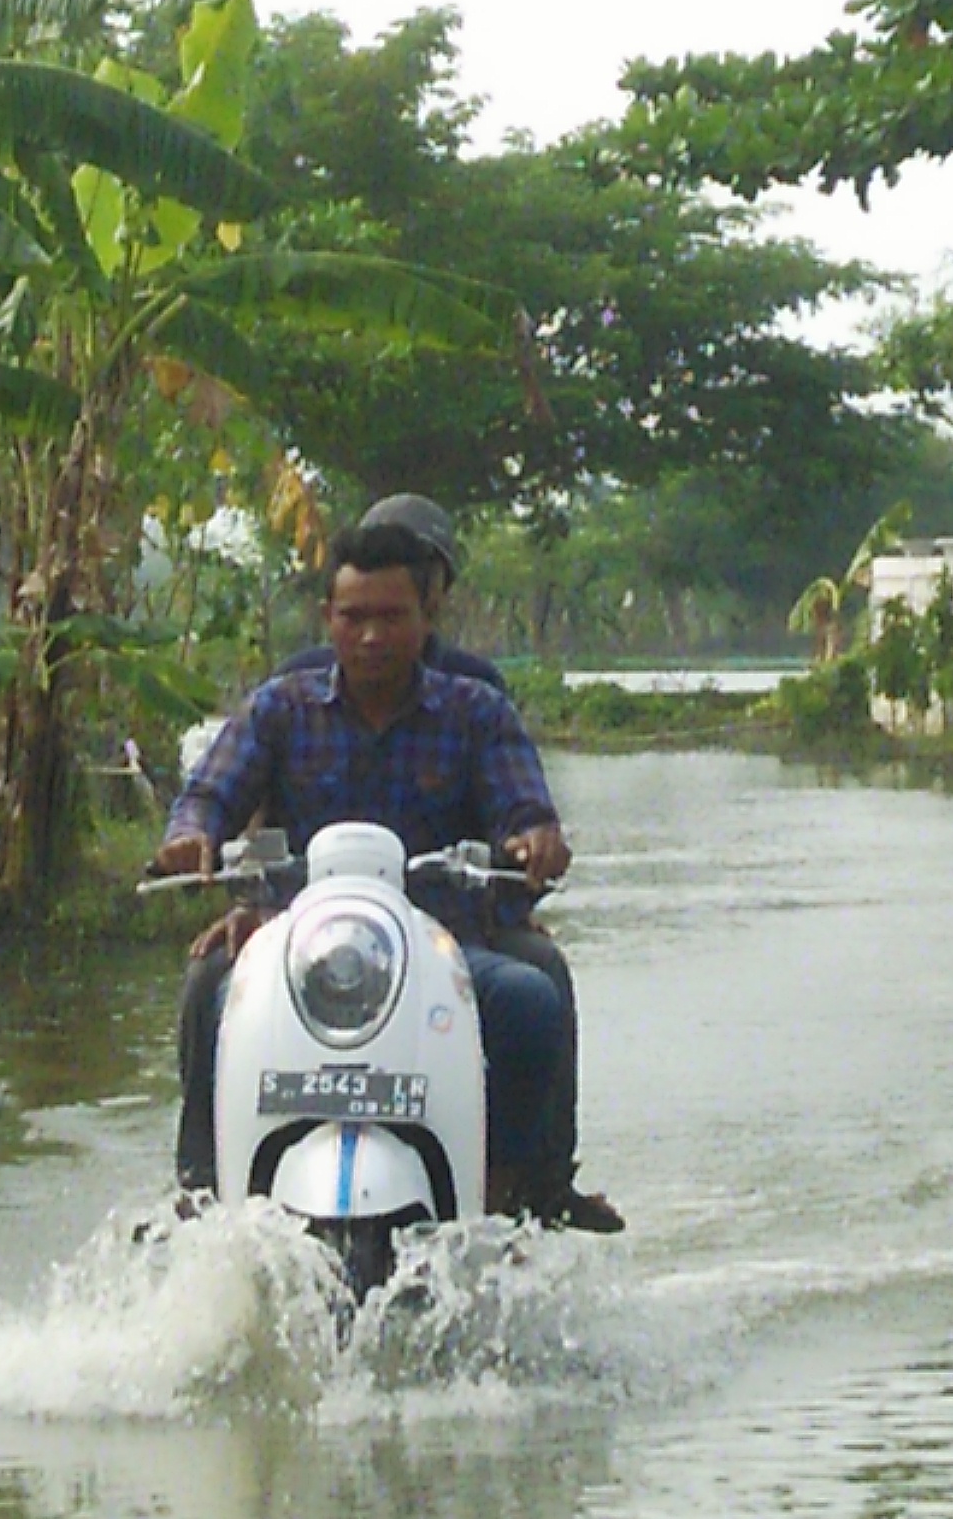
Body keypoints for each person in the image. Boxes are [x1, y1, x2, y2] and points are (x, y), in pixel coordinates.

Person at [160, 512, 620, 1231]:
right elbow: (210, 795)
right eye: (354, 617)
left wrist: (534, 841)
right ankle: (199, 1190)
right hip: (297, 943)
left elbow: (524, 808)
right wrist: (190, 837)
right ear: (328, 618)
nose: (372, 635)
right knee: (206, 987)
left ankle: (518, 1192)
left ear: (425, 616)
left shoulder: (475, 710)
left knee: (533, 996)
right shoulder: (281, 707)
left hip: (445, 946)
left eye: (390, 617)